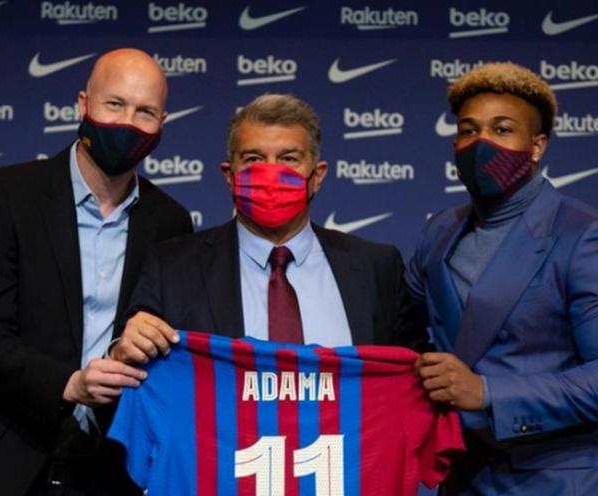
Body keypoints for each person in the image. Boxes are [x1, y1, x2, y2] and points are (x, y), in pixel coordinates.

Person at [0, 49, 193, 496]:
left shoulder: (170, 223)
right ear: (83, 104)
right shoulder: (2, 196)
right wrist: (71, 383)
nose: (128, 123)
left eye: (145, 112)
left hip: (104, 485)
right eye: (114, 104)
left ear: (162, 123)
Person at [408, 62, 598, 496]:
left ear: (536, 146)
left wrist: (488, 393)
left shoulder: (592, 237)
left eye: (502, 129)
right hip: (464, 488)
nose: (482, 144)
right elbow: (406, 336)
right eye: (468, 131)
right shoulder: (439, 232)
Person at [110, 93, 426, 365]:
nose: (271, 173)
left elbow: (411, 375)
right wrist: (121, 350)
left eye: (288, 159)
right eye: (253, 159)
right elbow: (130, 359)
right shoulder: (172, 268)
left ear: (317, 176)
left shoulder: (376, 268)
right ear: (229, 175)